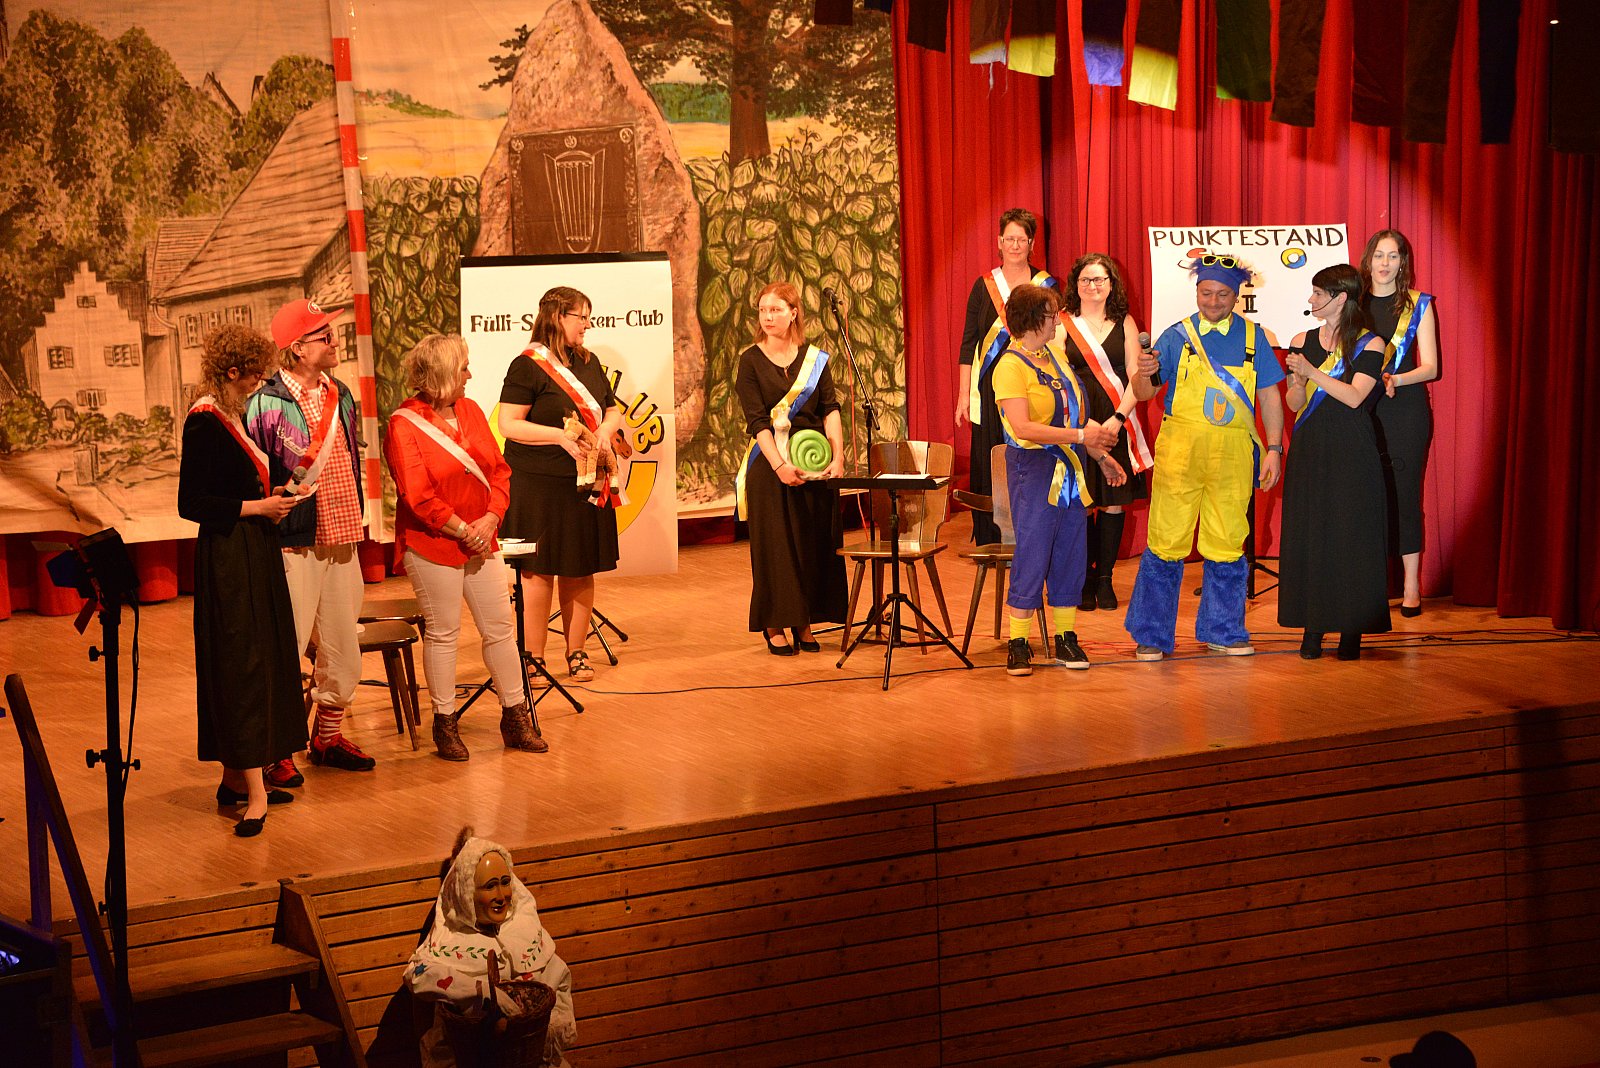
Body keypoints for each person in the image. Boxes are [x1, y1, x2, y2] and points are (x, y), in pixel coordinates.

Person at [385, 334, 545, 760]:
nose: (470, 375)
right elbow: (417, 495)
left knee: (500, 628)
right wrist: (462, 530)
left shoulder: (471, 410)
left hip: (481, 535)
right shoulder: (403, 424)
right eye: (462, 368)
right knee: (444, 632)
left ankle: (515, 717)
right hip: (433, 542)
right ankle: (445, 724)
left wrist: (491, 518)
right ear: (440, 374)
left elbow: (499, 471)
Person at [178, 325, 309, 837]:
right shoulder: (204, 421)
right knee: (243, 665)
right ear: (232, 371)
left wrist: (276, 495)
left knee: (264, 657)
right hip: (230, 557)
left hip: (254, 548)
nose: (260, 383)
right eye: (254, 375)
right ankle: (255, 796)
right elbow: (192, 503)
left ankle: (235, 780)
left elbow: (241, 484)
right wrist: (259, 507)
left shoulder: (233, 415)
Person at [1125, 256, 1286, 660]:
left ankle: (1224, 631)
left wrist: (1274, 448)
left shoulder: (1255, 337)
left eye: (1223, 294)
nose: (1213, 301)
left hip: (1233, 455)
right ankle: (1151, 635)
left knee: (1228, 542)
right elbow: (1145, 394)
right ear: (1197, 292)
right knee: (1166, 540)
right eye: (1206, 293)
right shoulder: (1176, 336)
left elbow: (1270, 396)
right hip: (1180, 453)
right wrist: (1143, 372)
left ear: (1237, 296)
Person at [247, 298, 376, 778]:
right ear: (298, 348)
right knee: (287, 646)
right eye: (324, 335)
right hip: (293, 541)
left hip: (342, 534)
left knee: (343, 646)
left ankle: (327, 738)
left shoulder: (342, 393)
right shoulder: (266, 403)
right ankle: (276, 749)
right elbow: (256, 474)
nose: (334, 340)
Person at [991, 283, 1126, 676]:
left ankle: (1066, 638)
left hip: (1070, 467)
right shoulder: (1010, 366)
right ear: (1034, 320)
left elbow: (1074, 419)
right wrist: (1083, 438)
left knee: (1071, 550)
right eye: (1052, 316)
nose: (1057, 323)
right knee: (1034, 551)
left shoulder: (1056, 357)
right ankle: (1019, 642)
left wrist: (1100, 457)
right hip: (1033, 469)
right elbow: (1023, 427)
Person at [497, 287, 622, 682]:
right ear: (557, 317)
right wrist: (557, 436)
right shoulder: (526, 366)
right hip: (537, 483)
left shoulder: (589, 361)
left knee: (580, 568)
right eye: (581, 317)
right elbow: (508, 424)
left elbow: (613, 408)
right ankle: (534, 658)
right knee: (538, 572)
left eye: (588, 317)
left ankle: (577, 652)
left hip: (584, 481)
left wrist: (605, 431)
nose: (587, 325)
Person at [1280, 265, 1392, 660]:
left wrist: (1312, 372)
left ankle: (1351, 630)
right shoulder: (1301, 340)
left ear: (1340, 298)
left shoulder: (1370, 344)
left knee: (1350, 537)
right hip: (1311, 447)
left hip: (1351, 449)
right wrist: (1298, 383)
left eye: (1318, 294)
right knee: (1313, 535)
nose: (1311, 300)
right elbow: (1295, 402)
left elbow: (1355, 397)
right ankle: (1312, 627)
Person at [735, 281, 847, 655]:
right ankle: (774, 622)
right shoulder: (750, 361)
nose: (767, 317)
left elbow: (830, 409)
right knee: (777, 548)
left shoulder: (815, 359)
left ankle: (803, 620)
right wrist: (780, 465)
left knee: (810, 545)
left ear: (793, 312)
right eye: (763, 310)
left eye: (776, 310)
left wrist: (838, 456)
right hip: (770, 465)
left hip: (813, 461)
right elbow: (757, 421)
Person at [408, 829, 576, 1068]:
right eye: (489, 886)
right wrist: (481, 993)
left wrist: (547, 1026)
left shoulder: (523, 929)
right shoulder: (452, 939)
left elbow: (559, 981)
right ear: (468, 893)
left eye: (505, 883)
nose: (500, 896)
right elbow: (418, 975)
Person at [956, 208, 1058, 547]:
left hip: (1032, 382)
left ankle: (1031, 532)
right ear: (999, 242)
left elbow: (1056, 339)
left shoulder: (1046, 286)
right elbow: (969, 342)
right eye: (1009, 239)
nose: (1015, 245)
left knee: (1028, 451)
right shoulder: (983, 286)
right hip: (989, 388)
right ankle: (991, 536)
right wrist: (963, 395)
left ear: (1031, 244)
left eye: (1021, 239)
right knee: (992, 454)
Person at [1057, 253, 1153, 612]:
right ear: (1075, 284)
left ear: (1111, 284)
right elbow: (1058, 377)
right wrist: (1084, 425)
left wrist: (1118, 417)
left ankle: (1105, 578)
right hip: (1077, 423)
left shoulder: (1124, 322)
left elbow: (1135, 375)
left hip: (1116, 421)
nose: (1093, 286)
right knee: (1083, 502)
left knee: (1113, 501)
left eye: (1100, 279)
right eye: (1086, 279)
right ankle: (1083, 578)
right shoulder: (1063, 322)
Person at [1360, 229, 1440, 617]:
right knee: (1365, 498)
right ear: (1368, 259)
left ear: (1403, 262)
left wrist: (1397, 379)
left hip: (1405, 411)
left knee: (1406, 497)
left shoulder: (1418, 304)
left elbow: (1431, 367)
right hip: (1361, 409)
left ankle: (1411, 586)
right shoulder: (1353, 303)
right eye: (1379, 255)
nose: (1385, 263)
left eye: (1393, 256)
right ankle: (1371, 584)